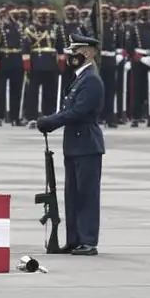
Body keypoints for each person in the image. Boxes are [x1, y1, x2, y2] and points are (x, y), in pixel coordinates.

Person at [35, 33, 105, 256]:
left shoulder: (91, 79)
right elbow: (69, 110)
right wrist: (51, 120)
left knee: (87, 195)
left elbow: (78, 111)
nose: (70, 56)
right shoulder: (79, 77)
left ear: (86, 53)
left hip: (86, 143)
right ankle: (74, 239)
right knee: (72, 195)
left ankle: (88, 241)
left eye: (74, 51)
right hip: (74, 144)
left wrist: (51, 122)